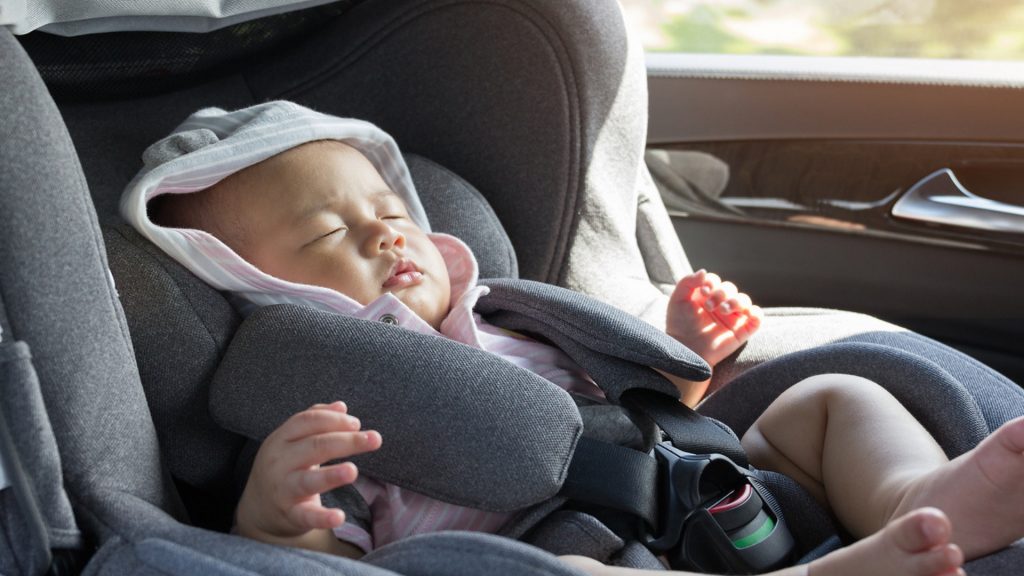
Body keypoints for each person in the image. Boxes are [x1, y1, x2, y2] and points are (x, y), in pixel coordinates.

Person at [123, 102, 1024, 576]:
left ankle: (917, 496)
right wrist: (278, 521)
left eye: (393, 212)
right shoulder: (324, 415)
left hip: (694, 490)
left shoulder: (516, 316)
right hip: (561, 550)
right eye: (327, 236)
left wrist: (686, 359)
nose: (387, 236)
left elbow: (639, 422)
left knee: (833, 401)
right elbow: (325, 563)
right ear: (257, 286)